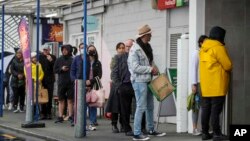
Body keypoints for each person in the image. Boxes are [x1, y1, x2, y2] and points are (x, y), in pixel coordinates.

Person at [127, 24, 166, 141]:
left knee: (150, 106)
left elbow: (150, 61)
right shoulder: (135, 49)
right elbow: (134, 67)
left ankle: (151, 129)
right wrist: (150, 69)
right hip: (139, 81)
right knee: (141, 106)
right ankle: (137, 133)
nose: (151, 36)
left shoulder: (147, 46)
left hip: (147, 80)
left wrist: (155, 68)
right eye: (150, 34)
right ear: (145, 35)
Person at [199, 26, 232, 141]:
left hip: (206, 86)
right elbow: (228, 65)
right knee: (215, 111)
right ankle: (217, 134)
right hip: (217, 85)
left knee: (206, 110)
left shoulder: (203, 48)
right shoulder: (219, 48)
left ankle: (204, 133)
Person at [105, 42, 125, 133]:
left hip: (124, 85)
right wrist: (118, 85)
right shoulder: (115, 58)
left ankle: (122, 124)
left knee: (123, 107)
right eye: (120, 48)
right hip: (116, 85)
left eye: (123, 48)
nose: (121, 50)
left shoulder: (127, 58)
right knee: (115, 106)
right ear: (117, 49)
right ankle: (114, 124)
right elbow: (113, 73)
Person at [191, 35, 207, 136]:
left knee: (204, 106)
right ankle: (194, 128)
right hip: (198, 83)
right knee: (196, 106)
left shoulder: (205, 53)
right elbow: (194, 69)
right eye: (206, 41)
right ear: (201, 43)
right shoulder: (196, 53)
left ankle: (202, 128)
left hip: (205, 83)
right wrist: (193, 84)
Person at [54, 44, 74, 125]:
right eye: (63, 50)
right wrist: (61, 69)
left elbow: (75, 69)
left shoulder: (72, 59)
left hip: (70, 82)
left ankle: (70, 116)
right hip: (61, 82)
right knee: (61, 99)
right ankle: (60, 116)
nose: (64, 51)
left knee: (70, 100)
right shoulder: (59, 59)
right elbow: (55, 70)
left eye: (66, 49)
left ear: (69, 50)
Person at [85, 45, 102, 130]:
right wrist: (85, 83)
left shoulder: (98, 63)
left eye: (93, 50)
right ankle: (83, 123)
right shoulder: (84, 61)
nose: (91, 51)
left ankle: (92, 122)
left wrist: (90, 82)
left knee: (92, 104)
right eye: (90, 50)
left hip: (94, 85)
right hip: (84, 85)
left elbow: (99, 75)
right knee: (84, 104)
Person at [39, 45, 56, 120]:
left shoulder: (53, 57)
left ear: (49, 50)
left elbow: (55, 68)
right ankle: (43, 113)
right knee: (42, 96)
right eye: (44, 50)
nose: (46, 51)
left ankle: (49, 113)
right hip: (42, 79)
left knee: (49, 96)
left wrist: (51, 61)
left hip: (50, 79)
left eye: (47, 50)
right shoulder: (40, 57)